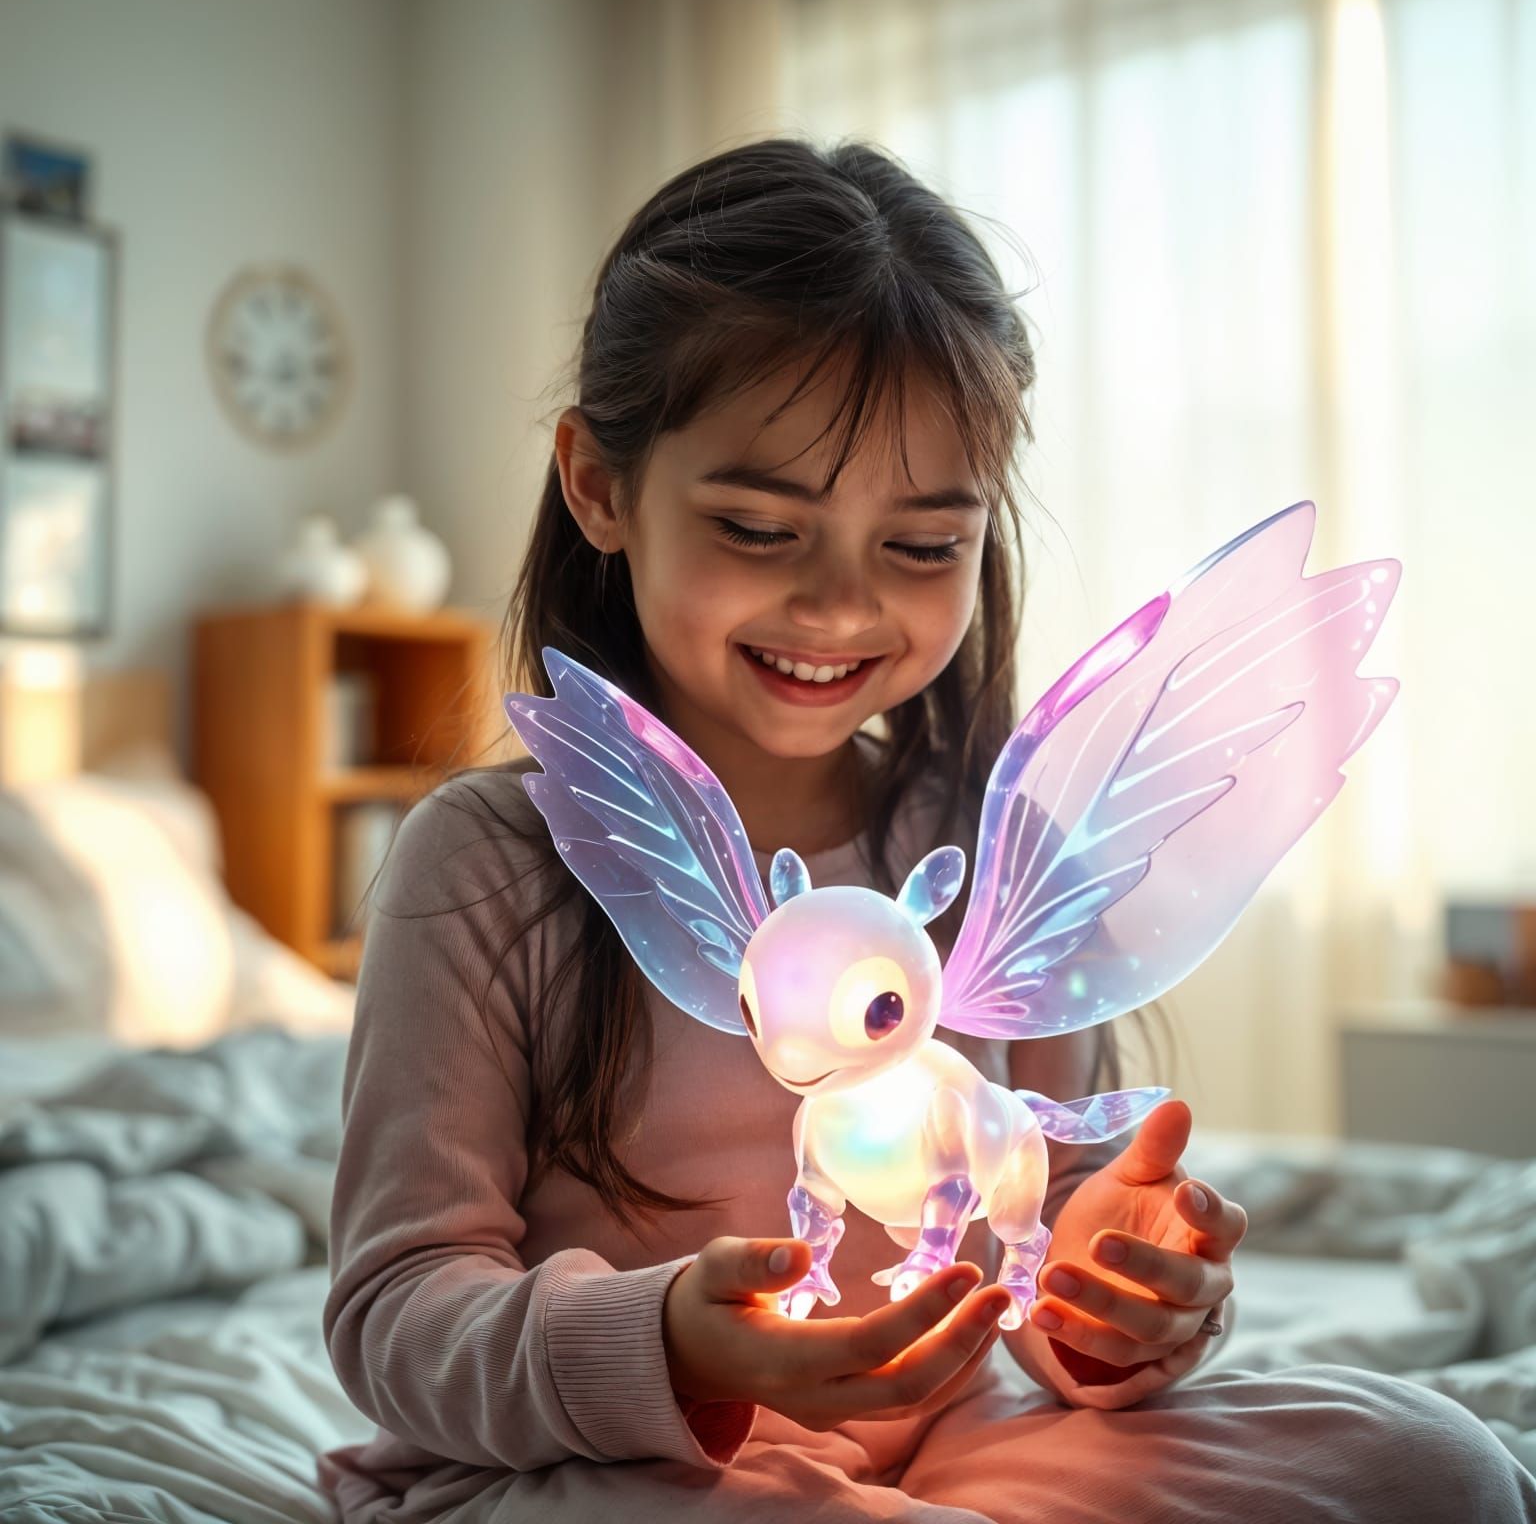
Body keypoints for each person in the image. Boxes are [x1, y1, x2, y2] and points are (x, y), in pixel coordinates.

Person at [319, 137, 1535, 1522]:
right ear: (600, 486)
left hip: (957, 1438)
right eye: (759, 528)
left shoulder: (992, 841)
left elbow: (1063, 1231)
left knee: (1442, 1470)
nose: (839, 609)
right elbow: (398, 1309)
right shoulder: (490, 866)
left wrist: (1121, 1288)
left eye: (919, 545)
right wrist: (664, 1342)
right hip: (609, 1467)